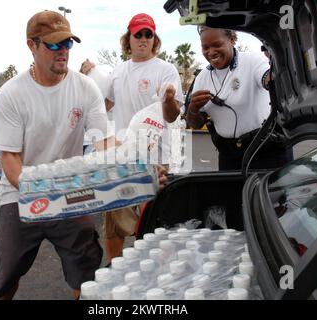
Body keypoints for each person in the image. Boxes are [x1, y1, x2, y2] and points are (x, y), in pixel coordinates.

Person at [0, 10, 112, 300]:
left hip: (68, 190)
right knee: (5, 274)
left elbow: (102, 142)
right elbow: (10, 160)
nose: (63, 51)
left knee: (87, 272)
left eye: (67, 43)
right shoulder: (12, 94)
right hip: (20, 193)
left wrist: (134, 166)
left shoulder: (85, 87)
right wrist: (40, 191)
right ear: (32, 45)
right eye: (54, 45)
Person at [80, 13, 183, 262]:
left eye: (149, 34)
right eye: (138, 34)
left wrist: (168, 99)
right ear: (129, 39)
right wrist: (86, 79)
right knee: (115, 223)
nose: (143, 39)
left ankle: (156, 273)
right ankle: (114, 268)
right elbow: (102, 105)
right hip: (123, 160)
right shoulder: (117, 72)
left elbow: (172, 116)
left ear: (154, 40)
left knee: (156, 224)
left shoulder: (166, 70)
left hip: (158, 160)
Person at [187, 27, 293, 170]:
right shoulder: (202, 78)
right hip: (229, 157)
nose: (211, 52)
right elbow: (196, 125)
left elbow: (268, 79)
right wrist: (193, 110)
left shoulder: (252, 60)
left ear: (231, 39)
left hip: (267, 152)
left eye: (217, 45)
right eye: (205, 47)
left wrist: (274, 77)